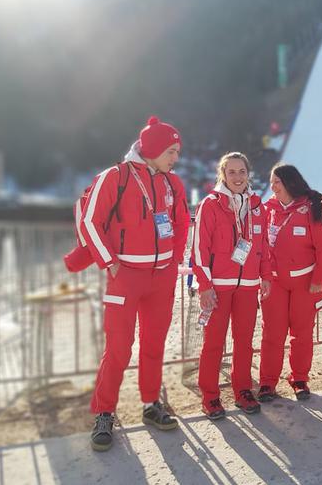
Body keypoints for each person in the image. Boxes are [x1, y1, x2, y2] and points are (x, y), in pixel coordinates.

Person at [80, 116, 190, 451]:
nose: (175, 158)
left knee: (154, 345)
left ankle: (150, 404)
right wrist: (109, 262)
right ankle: (104, 413)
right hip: (125, 276)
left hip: (162, 278)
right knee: (118, 349)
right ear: (154, 148)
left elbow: (182, 222)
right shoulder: (116, 177)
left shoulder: (173, 183)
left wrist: (173, 261)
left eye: (176, 151)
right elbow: (89, 221)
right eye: (170, 151)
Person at [192, 152, 271, 420]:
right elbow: (199, 249)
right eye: (232, 172)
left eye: (242, 172)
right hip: (219, 286)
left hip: (248, 286)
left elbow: (264, 246)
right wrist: (204, 285)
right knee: (213, 343)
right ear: (223, 175)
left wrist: (266, 277)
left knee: (244, 342)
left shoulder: (258, 206)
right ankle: (210, 396)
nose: (237, 177)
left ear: (248, 174)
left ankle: (242, 390)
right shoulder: (210, 205)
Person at [257, 164, 322, 401]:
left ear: (290, 183)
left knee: (302, 333)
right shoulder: (266, 210)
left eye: (277, 182)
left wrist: (319, 279)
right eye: (271, 182)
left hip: (305, 282)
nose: (272, 187)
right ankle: (268, 382)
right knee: (272, 334)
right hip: (275, 283)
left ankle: (299, 378)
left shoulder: (313, 209)